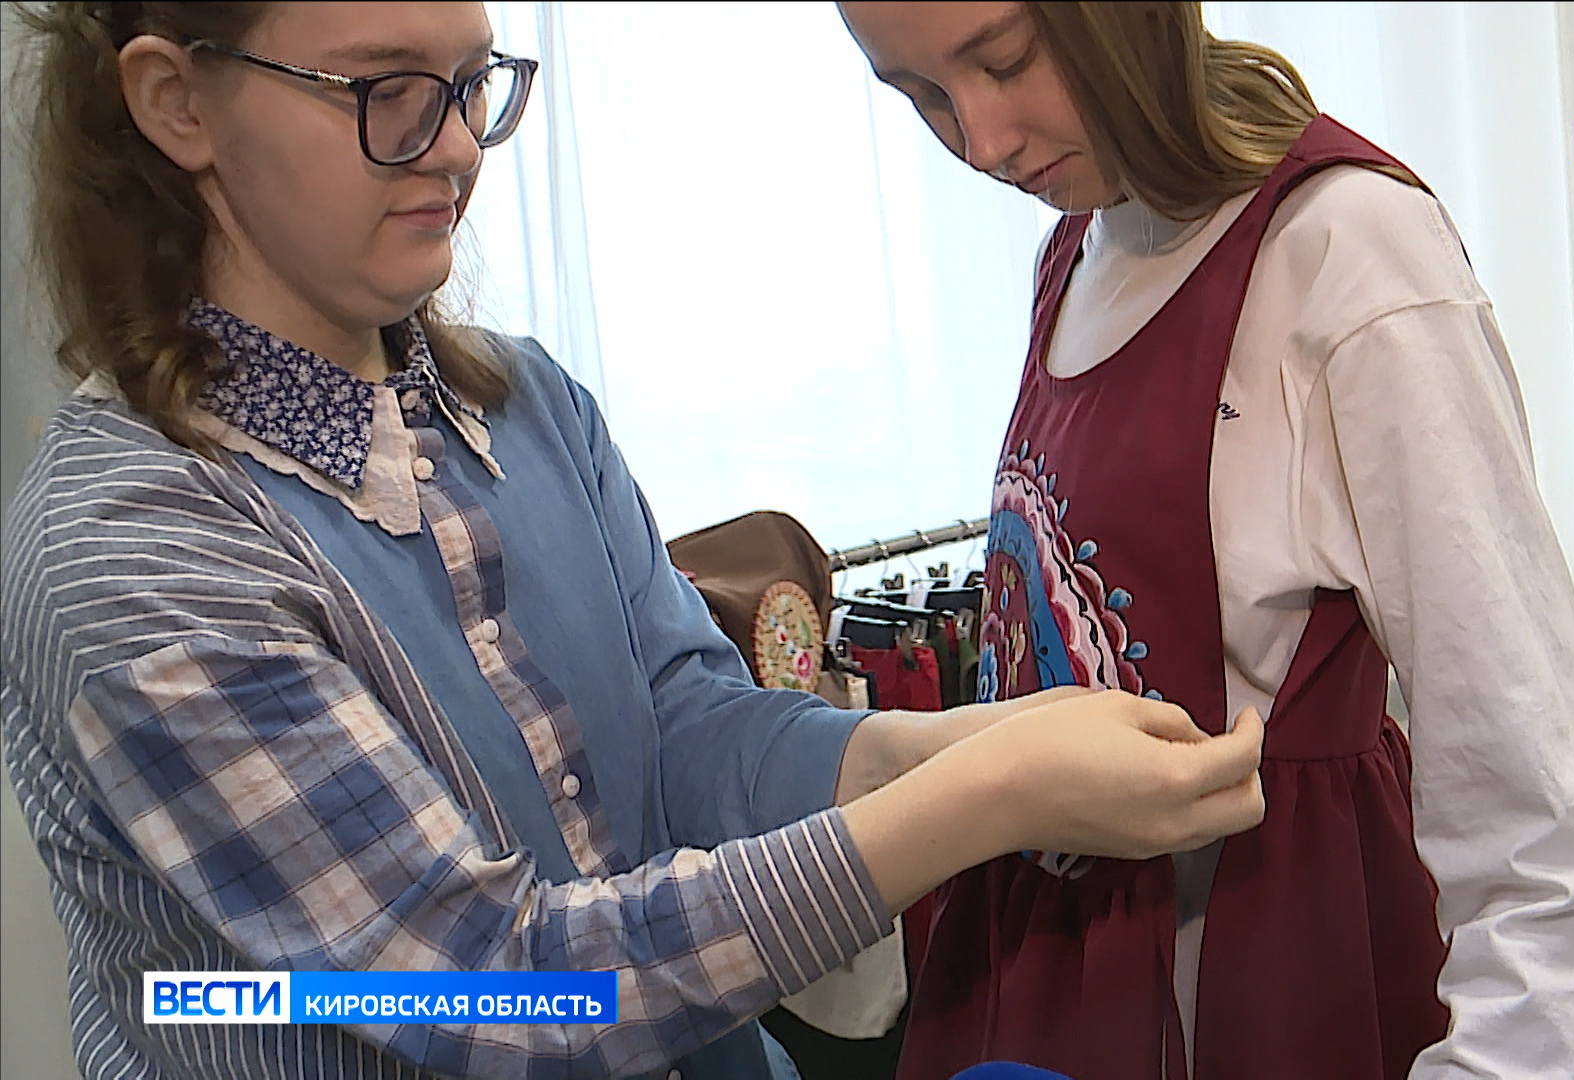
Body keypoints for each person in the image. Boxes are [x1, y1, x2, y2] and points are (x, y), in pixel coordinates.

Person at [0, 4, 1270, 1079]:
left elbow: (688, 731)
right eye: (387, 92)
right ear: (178, 103)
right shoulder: (138, 553)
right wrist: (986, 798)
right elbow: (498, 988)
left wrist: (956, 744)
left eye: (472, 86)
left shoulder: (525, 406)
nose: (457, 146)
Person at [837, 3, 1574, 1078]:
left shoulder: (1346, 257)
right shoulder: (1074, 250)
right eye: (923, 98)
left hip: (1257, 983)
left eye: (1007, 60)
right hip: (1040, 981)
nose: (983, 143)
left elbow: (1552, 852)